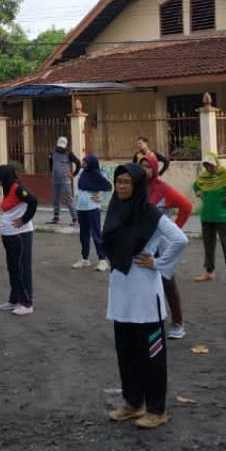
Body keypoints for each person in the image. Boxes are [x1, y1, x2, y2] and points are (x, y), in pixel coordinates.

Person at [102, 162, 188, 429]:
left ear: (138, 185)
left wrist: (159, 264)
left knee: (152, 354)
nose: (122, 187)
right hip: (121, 292)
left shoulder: (150, 213)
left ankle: (156, 409)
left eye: (127, 182)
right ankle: (132, 403)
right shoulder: (116, 209)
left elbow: (179, 239)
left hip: (145, 295)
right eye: (118, 182)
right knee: (126, 351)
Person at [141, 153, 191, 339]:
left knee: (167, 281)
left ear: (155, 169)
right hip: (144, 242)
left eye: (148, 166)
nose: (144, 169)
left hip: (161, 242)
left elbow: (186, 206)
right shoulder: (137, 187)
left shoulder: (163, 189)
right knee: (144, 280)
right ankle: (149, 321)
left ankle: (178, 323)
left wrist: (175, 229)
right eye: (141, 166)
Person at [193, 151, 226, 286]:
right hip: (207, 215)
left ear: (216, 163)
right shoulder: (203, 176)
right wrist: (199, 193)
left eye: (210, 165)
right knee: (208, 245)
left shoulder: (225, 174)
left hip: (223, 216)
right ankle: (209, 271)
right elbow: (196, 186)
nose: (208, 168)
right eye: (206, 165)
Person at [0, 164, 39, 315]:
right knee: (13, 268)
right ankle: (15, 299)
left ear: (5, 177)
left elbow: (33, 201)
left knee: (21, 268)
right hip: (10, 234)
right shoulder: (8, 188)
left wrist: (24, 219)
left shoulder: (18, 188)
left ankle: (27, 303)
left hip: (20, 234)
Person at [72, 155, 112, 271]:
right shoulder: (81, 172)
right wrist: (77, 198)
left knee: (96, 234)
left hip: (93, 208)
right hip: (81, 208)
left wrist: (101, 198)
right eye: (83, 162)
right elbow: (79, 187)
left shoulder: (98, 174)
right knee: (83, 235)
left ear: (91, 163)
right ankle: (85, 259)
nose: (83, 164)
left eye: (85, 162)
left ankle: (102, 260)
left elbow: (109, 187)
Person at [48, 137, 81, 226]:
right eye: (59, 146)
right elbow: (50, 164)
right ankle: (56, 217)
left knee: (68, 198)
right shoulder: (52, 152)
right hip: (55, 179)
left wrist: (73, 174)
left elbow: (78, 163)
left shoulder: (69, 153)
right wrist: (52, 173)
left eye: (62, 147)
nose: (60, 148)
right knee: (55, 198)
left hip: (65, 179)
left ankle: (75, 218)